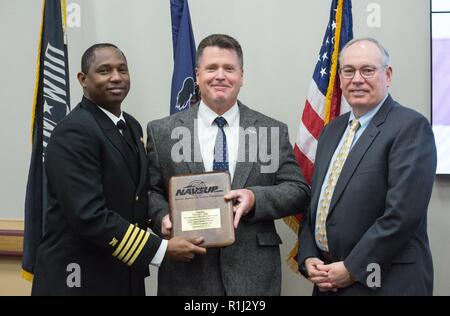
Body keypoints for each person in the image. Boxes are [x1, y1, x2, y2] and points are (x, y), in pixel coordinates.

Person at [31, 43, 206, 296]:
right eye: (104, 70)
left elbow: (134, 199)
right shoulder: (75, 132)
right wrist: (161, 249)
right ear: (83, 79)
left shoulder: (131, 127)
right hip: (79, 279)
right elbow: (89, 216)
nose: (116, 77)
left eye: (122, 69)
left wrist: (167, 219)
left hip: (123, 274)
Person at [146, 34, 310, 296]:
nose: (220, 76)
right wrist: (163, 216)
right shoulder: (162, 131)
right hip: (187, 276)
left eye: (229, 69)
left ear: (241, 76)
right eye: (211, 68)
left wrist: (255, 198)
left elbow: (299, 191)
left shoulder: (271, 130)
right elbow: (150, 191)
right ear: (198, 75)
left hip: (253, 276)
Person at [298, 37, 437, 296]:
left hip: (384, 282)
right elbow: (315, 205)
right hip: (328, 281)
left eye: (367, 70)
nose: (357, 79)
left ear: (388, 75)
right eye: (348, 71)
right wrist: (308, 257)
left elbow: (401, 216)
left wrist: (352, 267)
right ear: (339, 77)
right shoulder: (331, 131)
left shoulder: (410, 128)